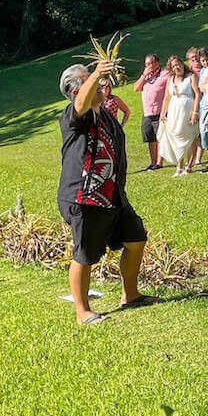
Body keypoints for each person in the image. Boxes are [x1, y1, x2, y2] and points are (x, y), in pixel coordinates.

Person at [57, 62, 154, 324]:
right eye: (91, 81)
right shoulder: (74, 115)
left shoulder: (106, 114)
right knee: (85, 254)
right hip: (85, 196)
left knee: (136, 239)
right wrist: (97, 73)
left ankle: (130, 295)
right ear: (79, 91)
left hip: (112, 193)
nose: (100, 84)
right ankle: (82, 311)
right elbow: (80, 104)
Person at [156, 54, 201, 176]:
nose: (177, 67)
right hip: (174, 111)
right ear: (171, 68)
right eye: (174, 66)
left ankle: (190, 165)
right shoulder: (170, 79)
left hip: (188, 109)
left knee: (191, 137)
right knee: (176, 138)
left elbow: (197, 94)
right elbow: (167, 97)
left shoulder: (191, 77)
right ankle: (180, 166)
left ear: (182, 64)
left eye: (178, 64)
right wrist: (163, 113)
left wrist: (195, 112)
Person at [134, 53, 168, 170]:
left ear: (156, 63)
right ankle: (152, 162)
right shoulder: (146, 77)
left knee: (160, 138)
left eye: (150, 64)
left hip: (159, 111)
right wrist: (144, 75)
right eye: (146, 64)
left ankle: (159, 162)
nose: (147, 66)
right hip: (147, 113)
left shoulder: (164, 74)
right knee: (150, 138)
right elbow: (136, 88)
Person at [195, 47, 208, 173]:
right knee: (204, 132)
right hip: (204, 105)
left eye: (207, 60)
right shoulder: (203, 71)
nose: (205, 63)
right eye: (203, 61)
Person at [184, 47, 206, 171]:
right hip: (190, 106)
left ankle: (198, 159)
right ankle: (191, 159)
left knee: (201, 133)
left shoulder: (205, 70)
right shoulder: (187, 73)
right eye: (193, 58)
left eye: (197, 57)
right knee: (192, 134)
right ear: (189, 61)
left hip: (204, 104)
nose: (196, 60)